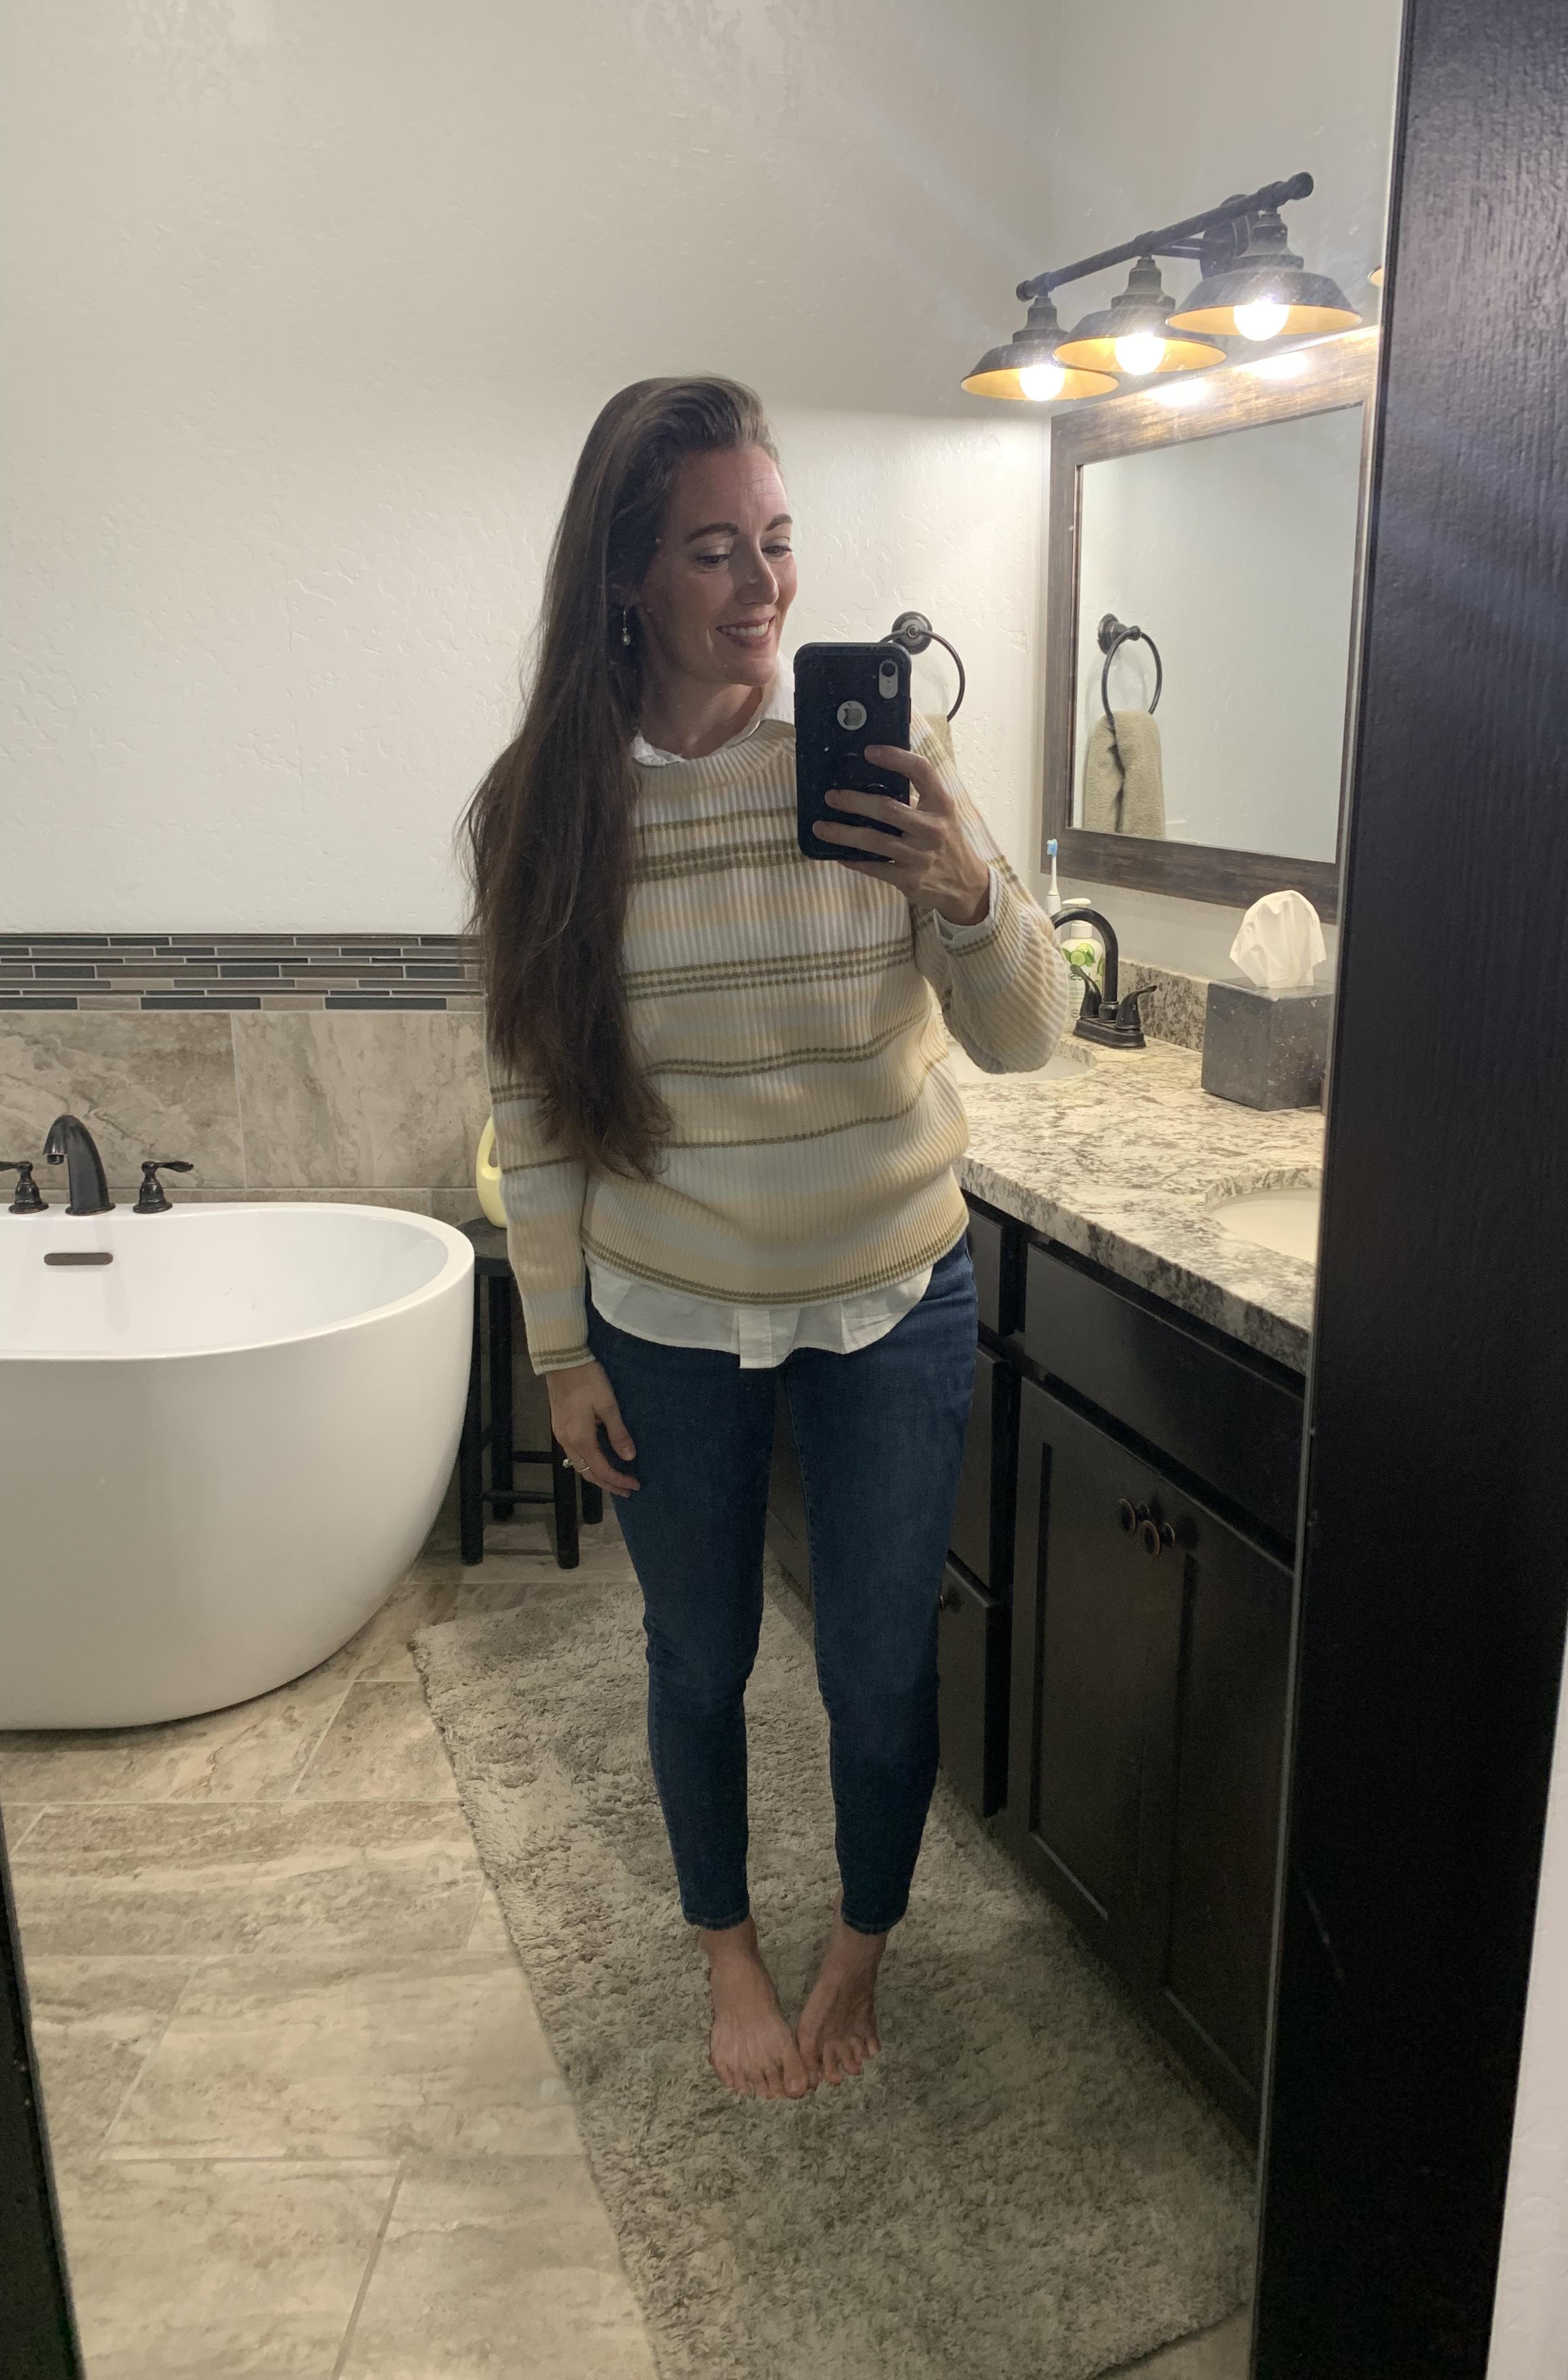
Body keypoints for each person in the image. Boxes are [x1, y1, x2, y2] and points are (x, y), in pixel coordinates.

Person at [463, 377, 1070, 2101]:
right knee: (699, 1655)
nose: (765, 587)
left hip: (893, 1293)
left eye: (780, 542)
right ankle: (725, 1943)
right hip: (667, 1311)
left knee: (878, 1663)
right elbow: (536, 1108)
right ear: (627, 582)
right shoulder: (551, 809)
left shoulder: (883, 760)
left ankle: (861, 1936)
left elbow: (1028, 1037)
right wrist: (561, 1350)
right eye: (714, 551)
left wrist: (968, 893)